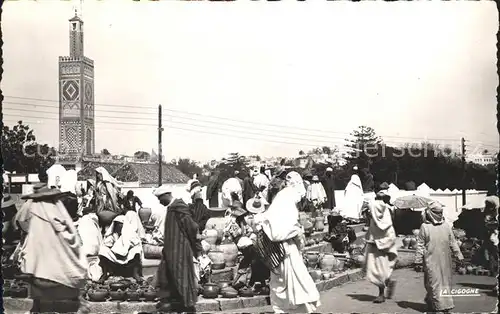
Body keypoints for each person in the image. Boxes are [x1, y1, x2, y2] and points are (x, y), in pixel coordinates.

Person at [254, 171, 320, 313]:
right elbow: (283, 231)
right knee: (294, 278)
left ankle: (282, 309)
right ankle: (295, 309)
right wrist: (298, 232)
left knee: (280, 281)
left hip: (275, 248)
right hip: (285, 248)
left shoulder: (280, 201)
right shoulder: (287, 201)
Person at [19, 184, 89, 314]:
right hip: (60, 276)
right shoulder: (56, 212)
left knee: (40, 304)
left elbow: (29, 238)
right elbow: (71, 239)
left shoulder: (36, 213)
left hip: (40, 274)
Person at [154, 185, 200, 313]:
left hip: (180, 249)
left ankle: (188, 306)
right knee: (168, 276)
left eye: (160, 198)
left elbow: (192, 227)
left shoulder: (179, 207)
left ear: (167, 195)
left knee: (182, 276)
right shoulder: (171, 208)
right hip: (170, 251)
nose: (159, 201)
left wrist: (197, 248)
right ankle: (176, 303)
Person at [415, 201, 464, 312]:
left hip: (445, 260)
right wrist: (418, 260)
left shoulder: (446, 226)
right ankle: (439, 307)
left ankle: (436, 303)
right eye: (436, 212)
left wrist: (459, 256)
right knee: (434, 283)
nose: (439, 214)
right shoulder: (425, 227)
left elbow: (452, 242)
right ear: (430, 212)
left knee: (445, 283)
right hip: (431, 260)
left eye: (440, 212)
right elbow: (420, 245)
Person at [229, 197, 270, 292]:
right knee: (253, 254)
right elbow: (236, 235)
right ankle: (254, 281)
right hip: (238, 242)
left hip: (246, 240)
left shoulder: (243, 220)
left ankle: (258, 279)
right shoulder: (232, 222)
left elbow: (250, 230)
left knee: (257, 254)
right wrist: (245, 232)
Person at [364, 188, 398, 303]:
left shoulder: (373, 207)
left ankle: (381, 294)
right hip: (385, 243)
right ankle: (388, 282)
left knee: (378, 269)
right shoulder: (387, 210)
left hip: (377, 245)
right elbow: (390, 231)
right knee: (383, 268)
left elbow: (374, 227)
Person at [97, 211, 145, 283]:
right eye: (116, 224)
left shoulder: (131, 233)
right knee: (103, 250)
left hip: (127, 257)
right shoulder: (113, 234)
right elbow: (107, 243)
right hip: (115, 256)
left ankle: (135, 274)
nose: (118, 226)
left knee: (137, 250)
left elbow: (135, 243)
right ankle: (104, 274)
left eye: (120, 224)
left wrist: (126, 246)